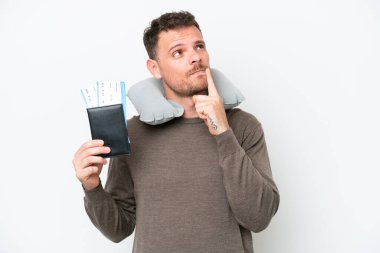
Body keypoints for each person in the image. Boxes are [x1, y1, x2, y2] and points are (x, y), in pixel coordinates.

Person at [73, 11, 279, 253]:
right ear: (155, 68)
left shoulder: (244, 127)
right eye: (178, 52)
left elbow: (259, 217)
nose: (195, 58)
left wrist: (224, 132)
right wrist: (92, 187)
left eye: (199, 46)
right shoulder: (133, 132)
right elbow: (119, 229)